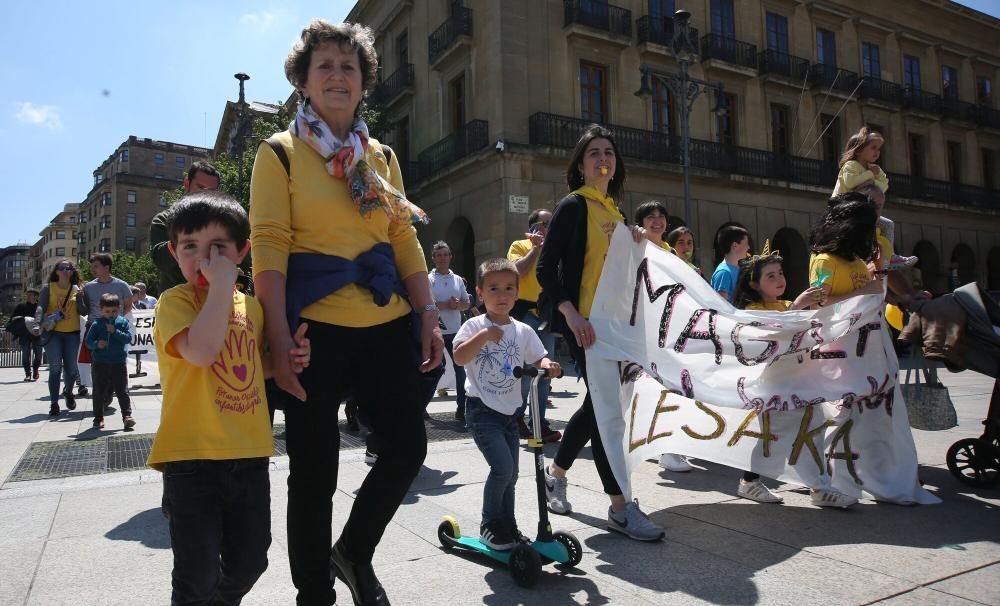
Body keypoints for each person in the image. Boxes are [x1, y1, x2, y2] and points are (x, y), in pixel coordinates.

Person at [249, 19, 443, 606]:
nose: (338, 75)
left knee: (408, 447)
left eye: (349, 67)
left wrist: (428, 313)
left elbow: (402, 235)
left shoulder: (380, 157)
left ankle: (352, 553)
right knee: (315, 472)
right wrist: (278, 337)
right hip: (313, 331)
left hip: (385, 324)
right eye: (325, 66)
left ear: (364, 84)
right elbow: (270, 244)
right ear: (303, 81)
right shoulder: (278, 154)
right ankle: (314, 593)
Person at [148, 192, 311, 604]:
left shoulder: (252, 308)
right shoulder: (175, 302)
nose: (205, 259)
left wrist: (288, 357)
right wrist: (222, 284)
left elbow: (256, 366)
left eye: (219, 248)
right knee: (196, 574)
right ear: (174, 252)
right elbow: (202, 353)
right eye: (191, 247)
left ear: (243, 251)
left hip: (249, 456)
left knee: (250, 560)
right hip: (191, 461)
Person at [536, 124, 665, 542]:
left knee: (598, 409)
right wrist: (571, 315)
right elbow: (546, 269)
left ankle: (555, 475)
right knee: (609, 414)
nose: (602, 157)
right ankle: (620, 508)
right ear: (580, 164)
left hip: (617, 330)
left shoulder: (616, 213)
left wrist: (638, 242)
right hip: (587, 327)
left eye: (608, 151)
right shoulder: (573, 206)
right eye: (593, 152)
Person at [453, 258, 561, 549]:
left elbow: (538, 356)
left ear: (517, 293)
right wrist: (484, 336)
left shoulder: (523, 330)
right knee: (502, 469)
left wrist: (547, 363)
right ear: (480, 293)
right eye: (494, 288)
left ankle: (507, 525)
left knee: (511, 474)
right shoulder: (475, 325)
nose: (502, 295)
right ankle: (489, 525)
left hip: (510, 415)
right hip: (482, 411)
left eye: (509, 289)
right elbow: (460, 357)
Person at [728, 244, 843, 505]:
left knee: (812, 430)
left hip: (801, 382)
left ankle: (818, 486)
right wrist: (801, 305)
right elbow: (775, 334)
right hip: (773, 386)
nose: (779, 279)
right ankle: (749, 481)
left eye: (780, 273)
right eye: (770, 276)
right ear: (754, 284)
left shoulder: (787, 304)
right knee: (773, 434)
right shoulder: (752, 311)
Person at [507, 208, 561, 442]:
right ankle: (517, 417)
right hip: (526, 313)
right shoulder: (519, 245)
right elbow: (517, 271)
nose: (550, 227)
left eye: (553, 223)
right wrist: (536, 248)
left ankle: (539, 422)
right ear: (534, 227)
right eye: (546, 223)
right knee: (527, 372)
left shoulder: (558, 247)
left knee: (545, 371)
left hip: (547, 313)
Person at [833, 126, 917, 272]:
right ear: (859, 150)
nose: (877, 152)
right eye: (873, 147)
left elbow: (884, 185)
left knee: (888, 224)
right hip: (842, 209)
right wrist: (870, 175)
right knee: (872, 192)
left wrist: (870, 179)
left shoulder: (874, 169)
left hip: (861, 211)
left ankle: (890, 257)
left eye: (879, 149)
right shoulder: (850, 165)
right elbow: (851, 183)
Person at [150, 160, 221, 292]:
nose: (204, 195)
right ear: (187, 184)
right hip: (176, 304)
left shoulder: (224, 223)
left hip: (215, 301)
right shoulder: (164, 220)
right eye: (200, 187)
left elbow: (244, 264)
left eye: (211, 191)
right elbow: (161, 260)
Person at [809, 193, 886, 309]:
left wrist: (879, 269)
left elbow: (875, 295)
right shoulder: (824, 261)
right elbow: (818, 305)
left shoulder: (859, 263)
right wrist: (862, 292)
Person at [428, 240, 471, 421]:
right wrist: (444, 305)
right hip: (434, 331)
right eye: (438, 255)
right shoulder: (428, 279)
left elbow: (466, 303)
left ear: (450, 257)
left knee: (461, 370)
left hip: (455, 331)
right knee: (432, 370)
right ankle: (421, 406)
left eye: (445, 254)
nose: (442, 258)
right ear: (433, 258)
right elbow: (424, 303)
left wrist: (458, 305)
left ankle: (462, 408)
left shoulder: (458, 280)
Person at [35, 259, 84, 416]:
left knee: (71, 370)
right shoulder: (48, 288)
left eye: (68, 268)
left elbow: (83, 311)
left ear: (72, 272)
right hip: (53, 333)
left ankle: (68, 392)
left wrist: (82, 297)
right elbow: (40, 308)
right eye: (62, 268)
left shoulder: (77, 289)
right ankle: (54, 403)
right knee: (55, 369)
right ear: (56, 271)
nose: (65, 271)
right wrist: (37, 324)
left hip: (73, 333)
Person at [84, 293, 134, 430]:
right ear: (101, 310)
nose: (111, 314)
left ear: (119, 309)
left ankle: (127, 416)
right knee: (99, 391)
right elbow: (88, 342)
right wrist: (96, 344)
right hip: (100, 363)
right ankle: (98, 418)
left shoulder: (122, 322)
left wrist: (115, 332)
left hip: (118, 362)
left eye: (114, 311)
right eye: (107, 311)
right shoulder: (97, 324)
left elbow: (128, 339)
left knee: (122, 390)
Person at [711, 224, 751, 302]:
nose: (748, 247)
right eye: (746, 243)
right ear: (735, 246)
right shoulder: (724, 273)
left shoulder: (738, 268)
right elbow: (722, 306)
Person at [11, 288, 43, 381]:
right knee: (25, 355)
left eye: (30, 294)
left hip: (37, 333)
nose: (28, 296)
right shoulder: (21, 306)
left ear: (35, 296)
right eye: (27, 294)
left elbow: (44, 318)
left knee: (38, 355)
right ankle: (27, 374)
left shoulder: (40, 307)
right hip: (24, 333)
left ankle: (36, 369)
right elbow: (13, 318)